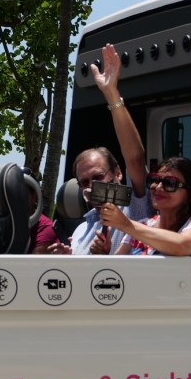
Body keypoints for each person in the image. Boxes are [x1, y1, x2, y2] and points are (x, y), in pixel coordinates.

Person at [48, 43, 153, 255]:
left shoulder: (133, 207)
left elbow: (135, 157)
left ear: (118, 173)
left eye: (98, 176)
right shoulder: (80, 231)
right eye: (84, 182)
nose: (92, 187)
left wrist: (111, 94)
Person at [92, 157, 191, 256]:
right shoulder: (142, 225)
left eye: (170, 183)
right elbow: (118, 269)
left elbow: (182, 246)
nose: (158, 187)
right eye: (154, 180)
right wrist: (104, 255)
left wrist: (125, 224)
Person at [21, 168, 56, 254]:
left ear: (34, 196)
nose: (15, 198)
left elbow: (33, 262)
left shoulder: (46, 228)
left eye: (21, 193)